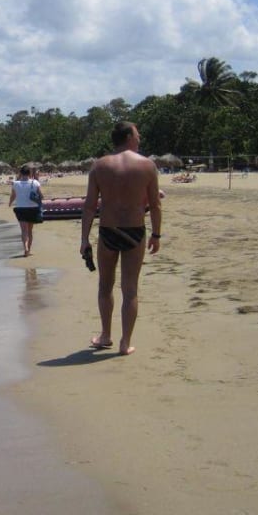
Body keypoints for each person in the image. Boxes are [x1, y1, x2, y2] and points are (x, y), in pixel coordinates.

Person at [80, 122, 162, 356]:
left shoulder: (99, 166)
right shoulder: (147, 165)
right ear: (128, 137)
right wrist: (156, 234)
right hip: (134, 232)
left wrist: (84, 239)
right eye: (137, 134)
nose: (140, 137)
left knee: (105, 286)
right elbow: (155, 205)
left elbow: (89, 207)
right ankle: (125, 343)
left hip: (108, 231)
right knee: (130, 289)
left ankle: (106, 335)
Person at [8, 165, 43, 257]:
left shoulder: (15, 183)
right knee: (30, 231)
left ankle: (25, 248)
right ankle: (29, 250)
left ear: (20, 173)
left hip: (20, 209)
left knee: (24, 230)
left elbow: (13, 195)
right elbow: (41, 196)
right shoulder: (35, 183)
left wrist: (10, 203)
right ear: (30, 173)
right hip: (33, 208)